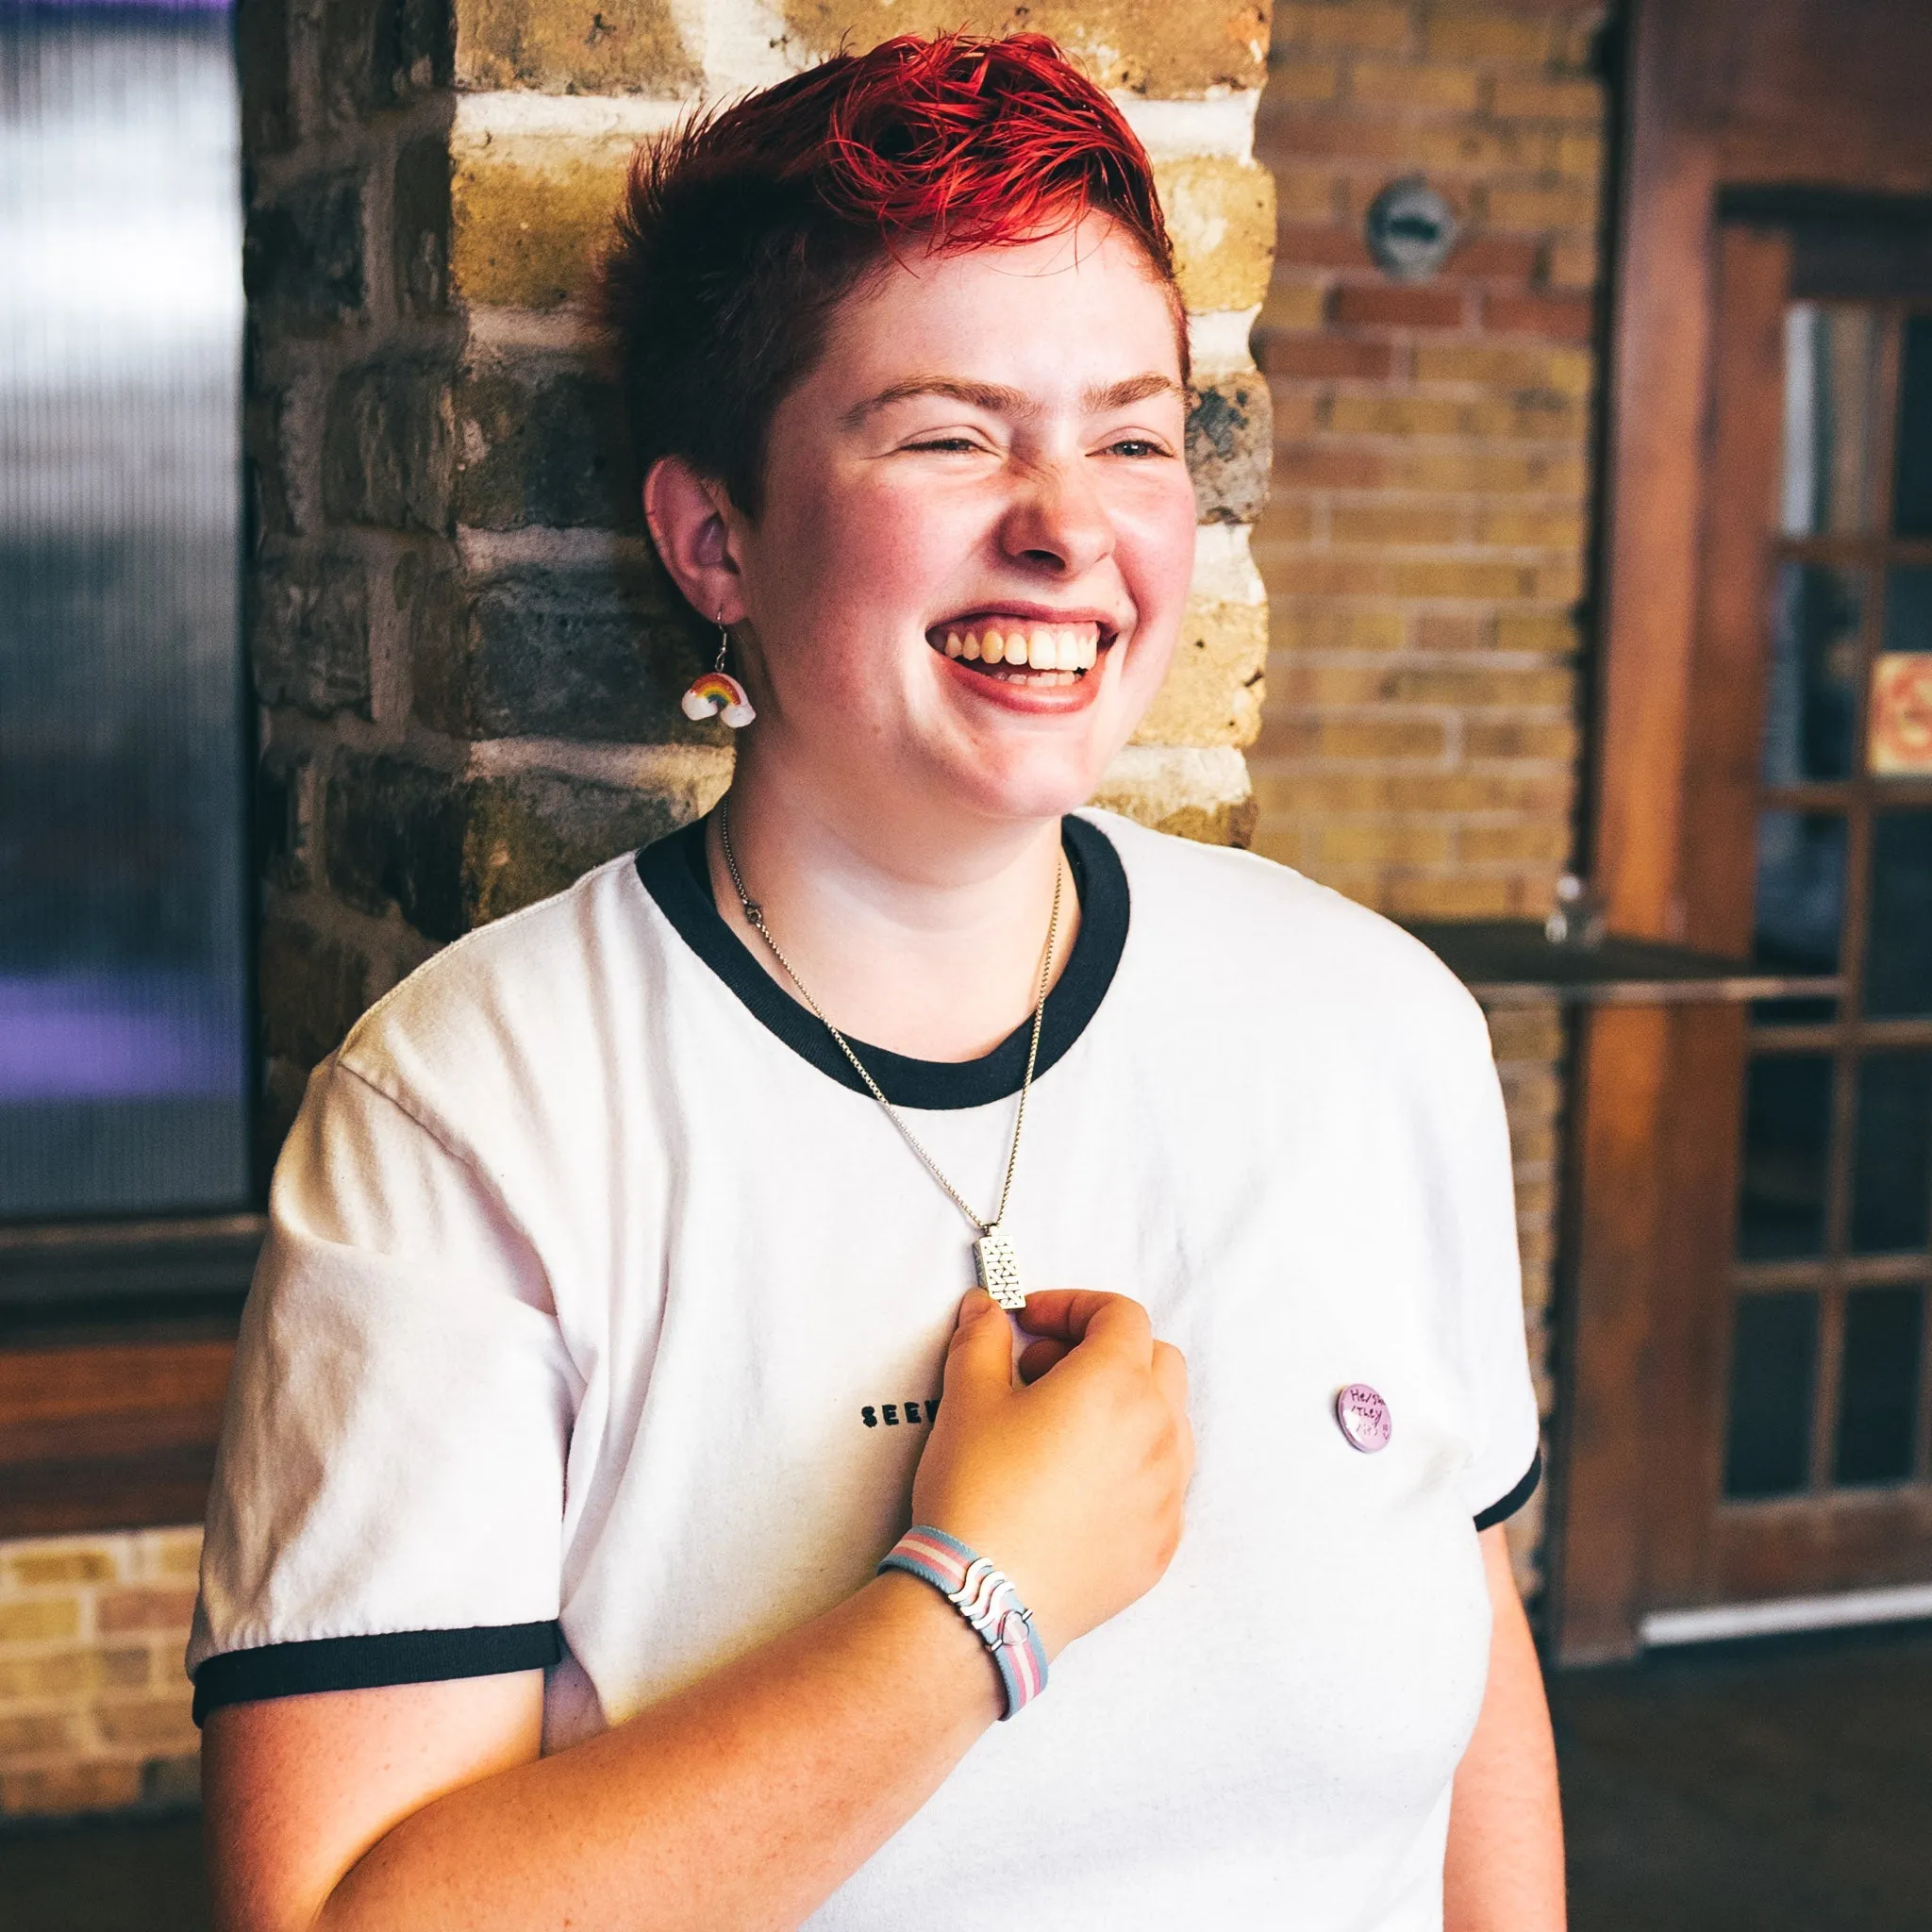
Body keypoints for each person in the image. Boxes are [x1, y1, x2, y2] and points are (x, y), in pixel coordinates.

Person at [193, 33, 1565, 1931]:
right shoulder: (472, 1114)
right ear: (713, 538)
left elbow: (1472, 1664)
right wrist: (970, 1608)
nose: (1068, 527)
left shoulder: (1374, 1028)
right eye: (948, 433)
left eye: (1133, 435)